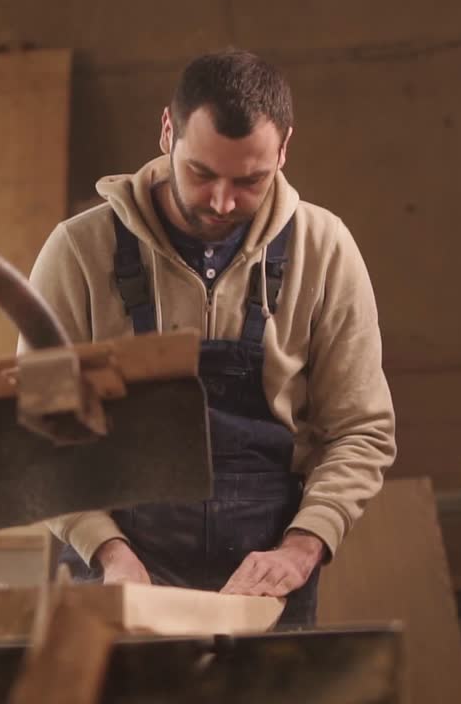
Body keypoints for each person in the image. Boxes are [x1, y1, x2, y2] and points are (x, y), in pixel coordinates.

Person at [24, 49, 396, 629]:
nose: (223, 203)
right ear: (168, 130)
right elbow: (41, 432)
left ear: (284, 150)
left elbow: (360, 430)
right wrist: (107, 552)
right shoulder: (78, 252)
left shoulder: (324, 249)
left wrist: (303, 547)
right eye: (202, 173)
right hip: (117, 569)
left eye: (250, 180)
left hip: (264, 578)